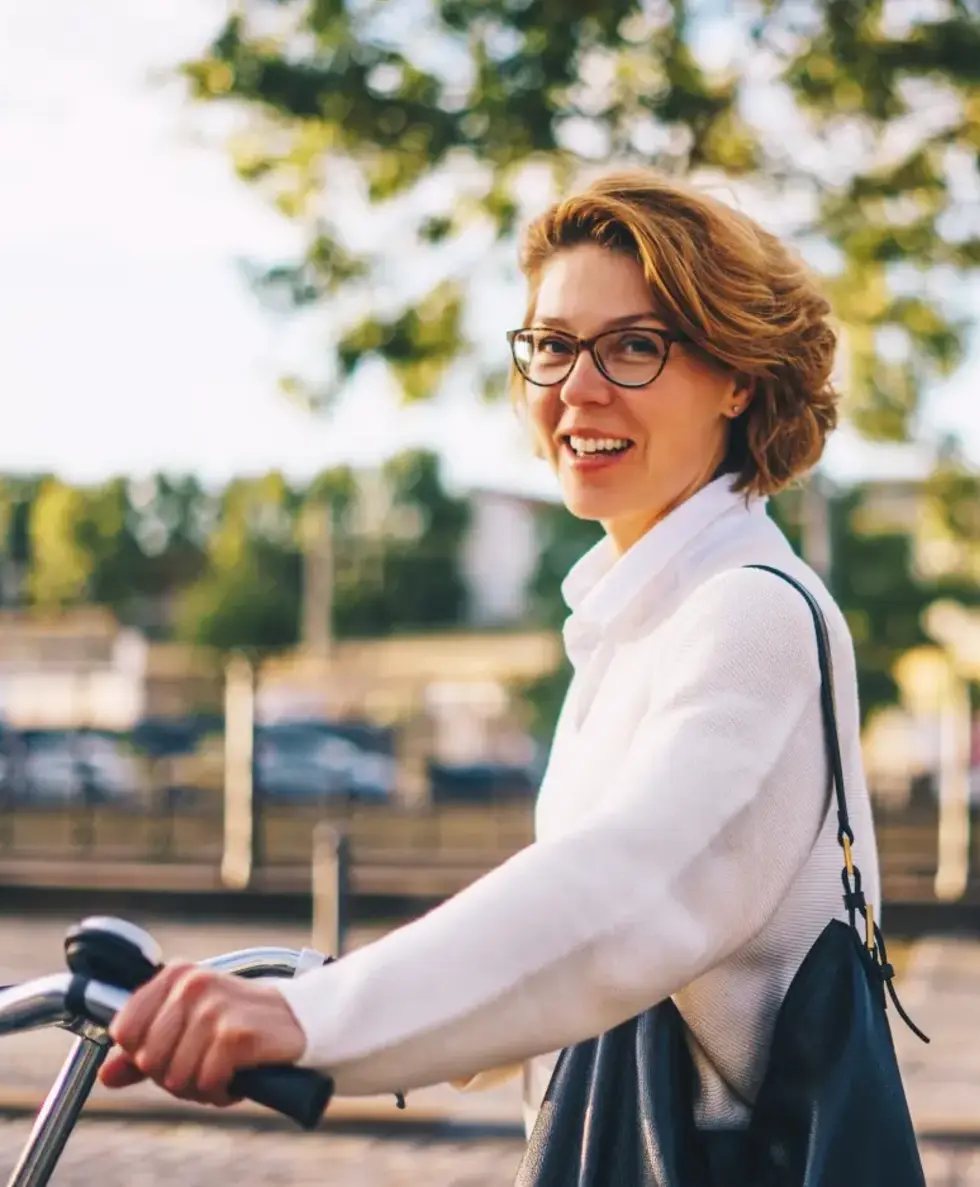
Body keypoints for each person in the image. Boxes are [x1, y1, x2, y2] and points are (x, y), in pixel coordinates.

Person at [100, 167, 883, 1142]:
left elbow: (626, 893)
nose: (576, 389)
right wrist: (333, 991)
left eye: (634, 346)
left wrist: (317, 1021)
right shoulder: (642, 616)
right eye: (552, 346)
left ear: (736, 375)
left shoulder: (745, 612)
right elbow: (577, 946)